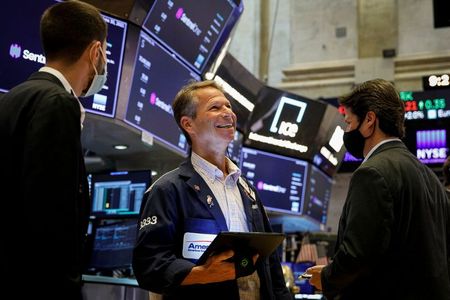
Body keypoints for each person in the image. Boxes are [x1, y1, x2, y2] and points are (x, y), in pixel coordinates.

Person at [132, 80, 291, 300]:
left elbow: (271, 267)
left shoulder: (247, 190)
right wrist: (202, 274)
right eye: (215, 108)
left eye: (228, 107)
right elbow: (149, 265)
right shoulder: (168, 190)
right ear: (188, 124)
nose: (228, 113)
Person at [305, 79, 450, 299]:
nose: (347, 130)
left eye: (349, 121)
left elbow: (358, 254)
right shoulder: (430, 177)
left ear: (369, 120)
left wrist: (327, 277)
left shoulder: (372, 173)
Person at [0, 1, 107, 299]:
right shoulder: (58, 103)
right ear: (95, 52)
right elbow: (51, 216)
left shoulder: (14, 98)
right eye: (106, 54)